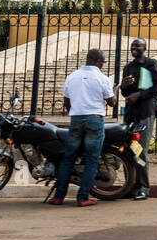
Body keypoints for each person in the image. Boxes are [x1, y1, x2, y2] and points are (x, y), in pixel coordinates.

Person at [48, 49, 117, 207]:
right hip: (94, 120)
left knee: (68, 158)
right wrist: (115, 90)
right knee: (92, 160)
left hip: (77, 119)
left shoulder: (72, 77)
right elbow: (111, 102)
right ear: (97, 61)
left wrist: (76, 111)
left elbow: (67, 101)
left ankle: (59, 196)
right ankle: (82, 197)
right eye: (101, 62)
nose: (102, 65)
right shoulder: (102, 78)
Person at [119, 38, 157, 200]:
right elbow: (125, 94)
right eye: (133, 45)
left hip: (145, 113)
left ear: (144, 48)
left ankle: (143, 187)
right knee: (128, 150)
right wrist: (124, 86)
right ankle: (130, 185)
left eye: (138, 45)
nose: (134, 47)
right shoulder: (128, 67)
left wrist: (139, 94)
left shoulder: (151, 64)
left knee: (139, 150)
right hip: (130, 114)